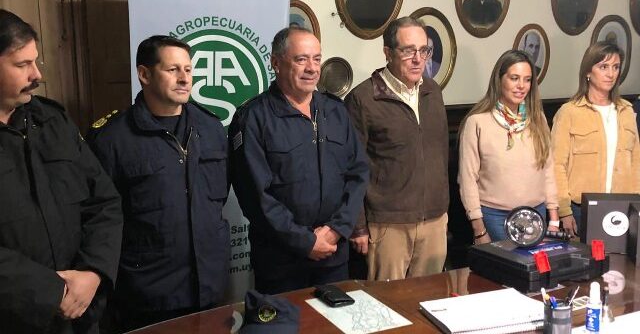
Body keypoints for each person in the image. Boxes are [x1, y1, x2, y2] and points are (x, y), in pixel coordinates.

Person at [87, 35, 230, 331]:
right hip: (149, 294)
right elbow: (99, 218)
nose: (184, 79)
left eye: (188, 70)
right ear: (144, 74)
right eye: (172, 70)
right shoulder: (112, 139)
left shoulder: (211, 128)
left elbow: (219, 197)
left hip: (210, 285)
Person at [0, 9, 123, 333]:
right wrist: (52, 293)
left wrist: (93, 273)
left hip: (82, 314)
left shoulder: (53, 121)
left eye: (36, 61)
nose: (37, 75)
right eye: (22, 65)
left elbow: (104, 202)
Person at [229, 26, 369, 294]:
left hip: (333, 256)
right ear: (276, 63)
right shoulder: (253, 118)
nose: (312, 68)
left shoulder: (335, 111)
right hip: (281, 263)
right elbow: (255, 196)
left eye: (317, 59)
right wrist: (305, 242)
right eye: (301, 59)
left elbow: (358, 174)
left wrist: (336, 229)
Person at [345, 17, 449, 280]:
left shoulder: (433, 91)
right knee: (387, 302)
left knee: (430, 298)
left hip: (434, 220)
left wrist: (442, 207)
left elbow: (440, 154)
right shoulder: (363, 98)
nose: (418, 59)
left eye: (424, 50)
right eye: (408, 51)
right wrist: (358, 226)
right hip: (388, 224)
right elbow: (350, 168)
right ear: (388, 53)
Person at [458, 50, 560, 243]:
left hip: (535, 216)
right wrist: (479, 230)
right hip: (495, 217)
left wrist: (554, 220)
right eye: (514, 78)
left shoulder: (538, 119)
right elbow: (467, 179)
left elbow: (547, 170)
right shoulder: (477, 122)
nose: (521, 86)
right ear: (500, 79)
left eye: (527, 80)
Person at [551, 42, 640, 236]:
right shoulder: (569, 112)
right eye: (603, 67)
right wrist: (564, 210)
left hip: (622, 206)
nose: (611, 74)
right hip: (580, 208)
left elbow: (636, 162)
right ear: (588, 72)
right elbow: (557, 165)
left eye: (616, 67)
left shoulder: (626, 111)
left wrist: (636, 204)